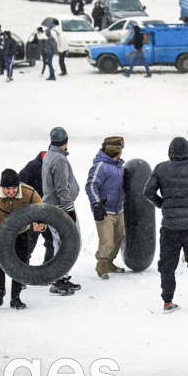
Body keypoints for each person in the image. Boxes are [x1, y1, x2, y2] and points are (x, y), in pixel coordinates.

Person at [144, 136, 188, 313]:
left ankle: (167, 302)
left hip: (170, 226)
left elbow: (148, 191)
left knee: (167, 264)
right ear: (187, 151)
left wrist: (162, 204)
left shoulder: (161, 168)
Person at [41, 127, 82, 296]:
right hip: (60, 209)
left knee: (61, 242)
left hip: (53, 207)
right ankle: (58, 280)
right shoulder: (59, 159)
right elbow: (61, 189)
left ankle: (61, 276)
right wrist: (69, 210)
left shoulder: (49, 155)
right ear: (66, 141)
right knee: (65, 243)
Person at [86, 136, 128, 279]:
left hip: (119, 209)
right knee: (107, 240)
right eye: (120, 149)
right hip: (104, 210)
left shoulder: (120, 167)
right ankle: (101, 264)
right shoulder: (100, 166)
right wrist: (97, 204)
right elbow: (91, 185)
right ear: (116, 151)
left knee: (118, 237)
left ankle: (110, 262)